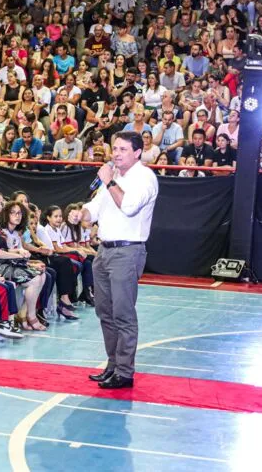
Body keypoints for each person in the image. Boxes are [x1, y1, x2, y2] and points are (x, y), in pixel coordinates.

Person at [81, 132, 159, 389]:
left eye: (123, 149)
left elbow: (129, 206)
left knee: (123, 313)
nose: (116, 153)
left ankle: (124, 372)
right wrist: (79, 213)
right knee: (105, 312)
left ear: (137, 152)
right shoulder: (114, 176)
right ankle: (113, 365)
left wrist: (109, 181)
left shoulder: (144, 178)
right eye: (114, 148)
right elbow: (94, 208)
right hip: (103, 251)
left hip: (127, 252)